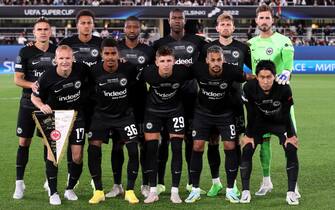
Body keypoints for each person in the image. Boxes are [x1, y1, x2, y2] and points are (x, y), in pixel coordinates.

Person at [184, 45, 251, 204]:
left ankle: (230, 189)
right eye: (212, 60)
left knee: (230, 146)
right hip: (202, 113)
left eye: (219, 60)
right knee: (198, 146)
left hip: (225, 114)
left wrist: (268, 76)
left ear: (223, 60)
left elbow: (249, 77)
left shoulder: (232, 71)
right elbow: (179, 73)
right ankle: (195, 189)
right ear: (207, 60)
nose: (216, 63)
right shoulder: (198, 69)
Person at [153, 8, 207, 195]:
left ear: (185, 21)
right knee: (165, 141)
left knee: (190, 141)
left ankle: (192, 182)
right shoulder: (159, 44)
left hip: (191, 99)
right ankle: (159, 183)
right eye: (174, 18)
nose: (177, 21)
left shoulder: (197, 42)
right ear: (169, 21)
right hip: (167, 100)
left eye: (180, 18)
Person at [247, 5, 300, 197]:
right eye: (261, 18)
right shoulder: (251, 43)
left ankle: (294, 186)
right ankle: (266, 181)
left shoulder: (283, 41)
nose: (264, 21)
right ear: (256, 20)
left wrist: (287, 71)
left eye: (267, 18)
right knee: (264, 142)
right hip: (259, 102)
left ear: (272, 20)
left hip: (280, 100)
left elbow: (287, 64)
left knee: (290, 141)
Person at [31, 45, 89, 205]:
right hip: (55, 118)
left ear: (73, 59)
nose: (65, 61)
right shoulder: (46, 77)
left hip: (77, 116)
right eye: (61, 58)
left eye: (68, 58)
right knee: (53, 156)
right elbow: (34, 97)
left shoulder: (81, 69)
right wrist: (41, 105)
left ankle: (70, 188)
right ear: (55, 60)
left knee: (77, 156)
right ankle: (53, 192)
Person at [202, 12, 251, 197]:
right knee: (213, 142)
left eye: (228, 24)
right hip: (213, 102)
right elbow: (200, 71)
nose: (225, 27)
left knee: (234, 143)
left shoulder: (242, 48)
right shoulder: (208, 48)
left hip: (235, 102)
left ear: (233, 27)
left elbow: (256, 69)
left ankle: (234, 183)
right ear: (217, 28)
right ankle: (216, 183)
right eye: (222, 24)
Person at [106, 16, 155, 199]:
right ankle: (117, 185)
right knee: (117, 145)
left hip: (142, 103)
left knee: (143, 145)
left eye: (135, 27)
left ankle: (144, 185)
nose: (132, 29)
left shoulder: (148, 50)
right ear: (124, 29)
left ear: (140, 29)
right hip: (119, 103)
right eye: (129, 27)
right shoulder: (116, 49)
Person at [87, 38, 140, 204]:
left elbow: (137, 93)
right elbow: (88, 94)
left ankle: (130, 190)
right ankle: (98, 190)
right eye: (107, 53)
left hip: (124, 116)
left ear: (119, 54)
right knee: (93, 148)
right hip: (101, 116)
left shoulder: (129, 69)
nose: (110, 57)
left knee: (132, 150)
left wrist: (136, 116)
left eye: (113, 53)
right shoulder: (93, 70)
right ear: (102, 54)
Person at [240, 60, 299, 205]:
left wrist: (291, 135)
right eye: (262, 77)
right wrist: (248, 135)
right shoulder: (248, 87)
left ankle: (291, 192)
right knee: (247, 149)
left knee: (291, 148)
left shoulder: (284, 88)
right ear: (257, 77)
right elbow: (251, 113)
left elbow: (286, 114)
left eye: (269, 77)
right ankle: (245, 191)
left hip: (279, 123)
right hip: (258, 123)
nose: (265, 81)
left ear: (274, 76)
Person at [12, 17, 57, 200]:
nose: (43, 32)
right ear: (34, 32)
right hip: (28, 103)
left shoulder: (57, 51)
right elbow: (17, 79)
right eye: (40, 29)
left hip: (49, 105)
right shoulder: (25, 51)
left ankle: (49, 181)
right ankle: (19, 183)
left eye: (46, 29)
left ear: (50, 31)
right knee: (24, 142)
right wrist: (34, 85)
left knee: (48, 143)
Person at [58, 9, 102, 188]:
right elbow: (57, 58)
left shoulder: (100, 43)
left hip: (96, 99)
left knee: (94, 140)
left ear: (93, 24)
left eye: (89, 22)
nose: (86, 25)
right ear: (77, 25)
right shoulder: (67, 42)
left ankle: (94, 177)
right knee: (73, 140)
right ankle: (72, 177)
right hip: (72, 98)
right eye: (82, 23)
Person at [142, 46, 189, 204]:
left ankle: (175, 192)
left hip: (175, 111)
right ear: (156, 62)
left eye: (169, 60)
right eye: (162, 61)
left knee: (176, 149)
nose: (166, 64)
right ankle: (152, 191)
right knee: (151, 150)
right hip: (153, 112)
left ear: (174, 61)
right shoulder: (148, 72)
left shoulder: (182, 72)